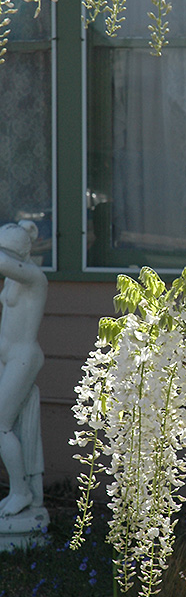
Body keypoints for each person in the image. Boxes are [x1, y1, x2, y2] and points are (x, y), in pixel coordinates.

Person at [0, 221, 47, 517]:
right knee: (13, 426)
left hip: (23, 357)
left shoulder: (34, 277)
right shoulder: (13, 277)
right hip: (8, 356)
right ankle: (22, 488)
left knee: (1, 426)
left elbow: (4, 264)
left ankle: (21, 490)